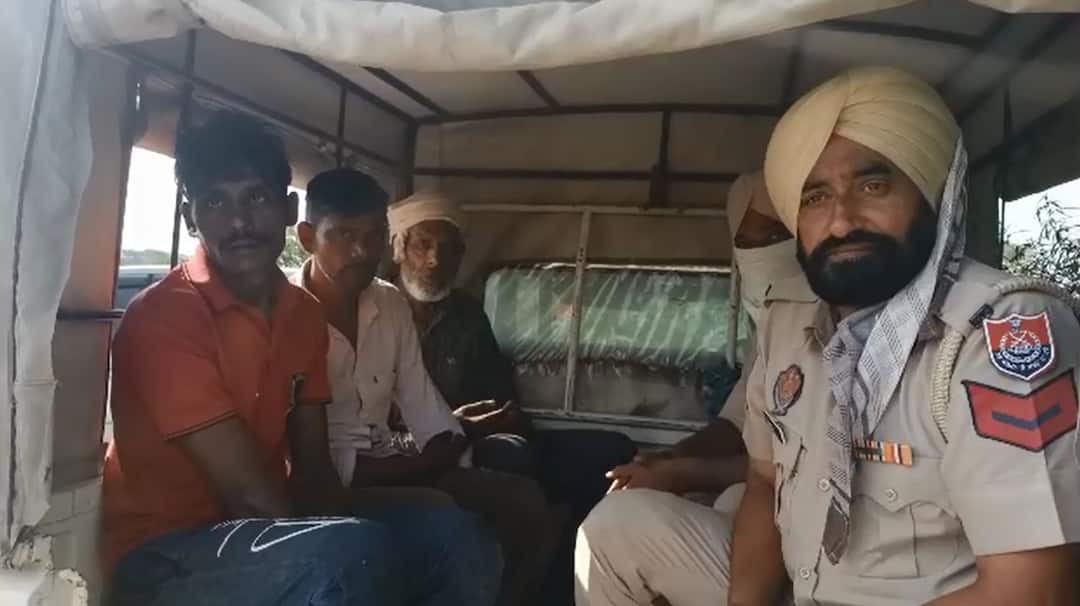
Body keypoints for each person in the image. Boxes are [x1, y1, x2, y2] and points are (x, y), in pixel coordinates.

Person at [102, 112, 502, 606]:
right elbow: (249, 495)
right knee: (351, 554)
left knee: (454, 536)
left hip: (270, 531)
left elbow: (314, 469)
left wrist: (362, 526)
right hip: (166, 554)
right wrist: (349, 541)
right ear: (190, 218)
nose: (239, 222)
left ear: (289, 209)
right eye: (215, 202)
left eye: (256, 197)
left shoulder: (302, 315)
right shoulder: (164, 318)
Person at [729, 66, 1080, 606]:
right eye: (815, 197)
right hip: (803, 588)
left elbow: (1031, 593)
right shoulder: (787, 321)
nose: (841, 222)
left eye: (873, 186)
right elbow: (764, 483)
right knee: (626, 525)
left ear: (936, 195)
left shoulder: (1000, 332)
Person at [293, 168, 557, 606]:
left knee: (522, 502)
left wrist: (450, 448)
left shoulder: (389, 303)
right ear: (307, 238)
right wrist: (421, 463)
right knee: (452, 526)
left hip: (393, 459)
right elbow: (306, 460)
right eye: (344, 235)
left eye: (373, 236)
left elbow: (422, 401)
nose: (362, 252)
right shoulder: (284, 312)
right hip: (327, 484)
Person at [387, 191, 639, 605]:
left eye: (448, 249)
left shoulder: (467, 314)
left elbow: (500, 391)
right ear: (399, 249)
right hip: (428, 446)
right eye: (423, 245)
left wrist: (507, 416)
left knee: (612, 453)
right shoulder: (379, 311)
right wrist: (461, 422)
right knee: (512, 461)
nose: (434, 260)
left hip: (483, 433)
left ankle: (558, 589)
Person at [574, 171, 813, 606]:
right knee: (728, 498)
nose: (761, 253)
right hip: (778, 539)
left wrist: (682, 473)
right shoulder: (777, 329)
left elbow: (793, 474)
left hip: (823, 563)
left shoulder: (841, 331)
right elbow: (735, 425)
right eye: (748, 242)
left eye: (777, 237)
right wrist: (669, 458)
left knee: (613, 527)